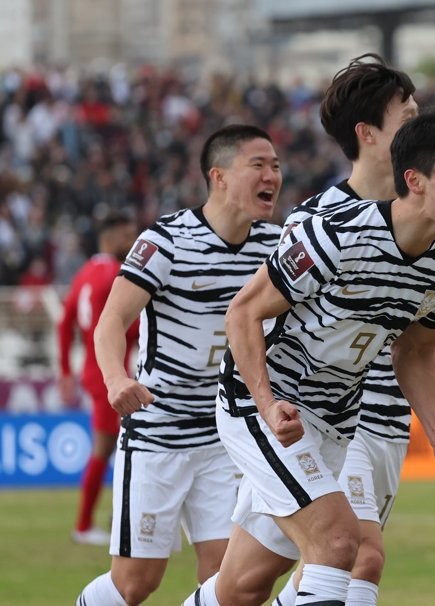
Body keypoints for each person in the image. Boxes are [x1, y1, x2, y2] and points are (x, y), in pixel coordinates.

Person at [185, 55, 435, 606]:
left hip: (337, 420)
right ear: (408, 170)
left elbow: (416, 351)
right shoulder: (329, 230)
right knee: (341, 547)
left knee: (243, 588)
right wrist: (266, 399)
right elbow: (243, 312)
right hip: (267, 408)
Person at [75, 124, 283, 606]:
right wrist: (116, 378)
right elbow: (111, 320)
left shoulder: (276, 246)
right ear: (220, 176)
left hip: (225, 435)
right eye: (258, 164)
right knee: (135, 583)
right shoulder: (166, 241)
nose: (272, 174)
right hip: (158, 432)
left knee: (229, 581)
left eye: (275, 165)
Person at [57, 212, 139, 546]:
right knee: (111, 448)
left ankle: (115, 518)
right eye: (128, 234)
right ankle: (86, 524)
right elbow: (123, 326)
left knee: (119, 447)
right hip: (110, 371)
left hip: (94, 369)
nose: (134, 241)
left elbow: (64, 324)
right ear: (113, 236)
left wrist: (65, 370)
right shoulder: (115, 275)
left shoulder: (85, 273)